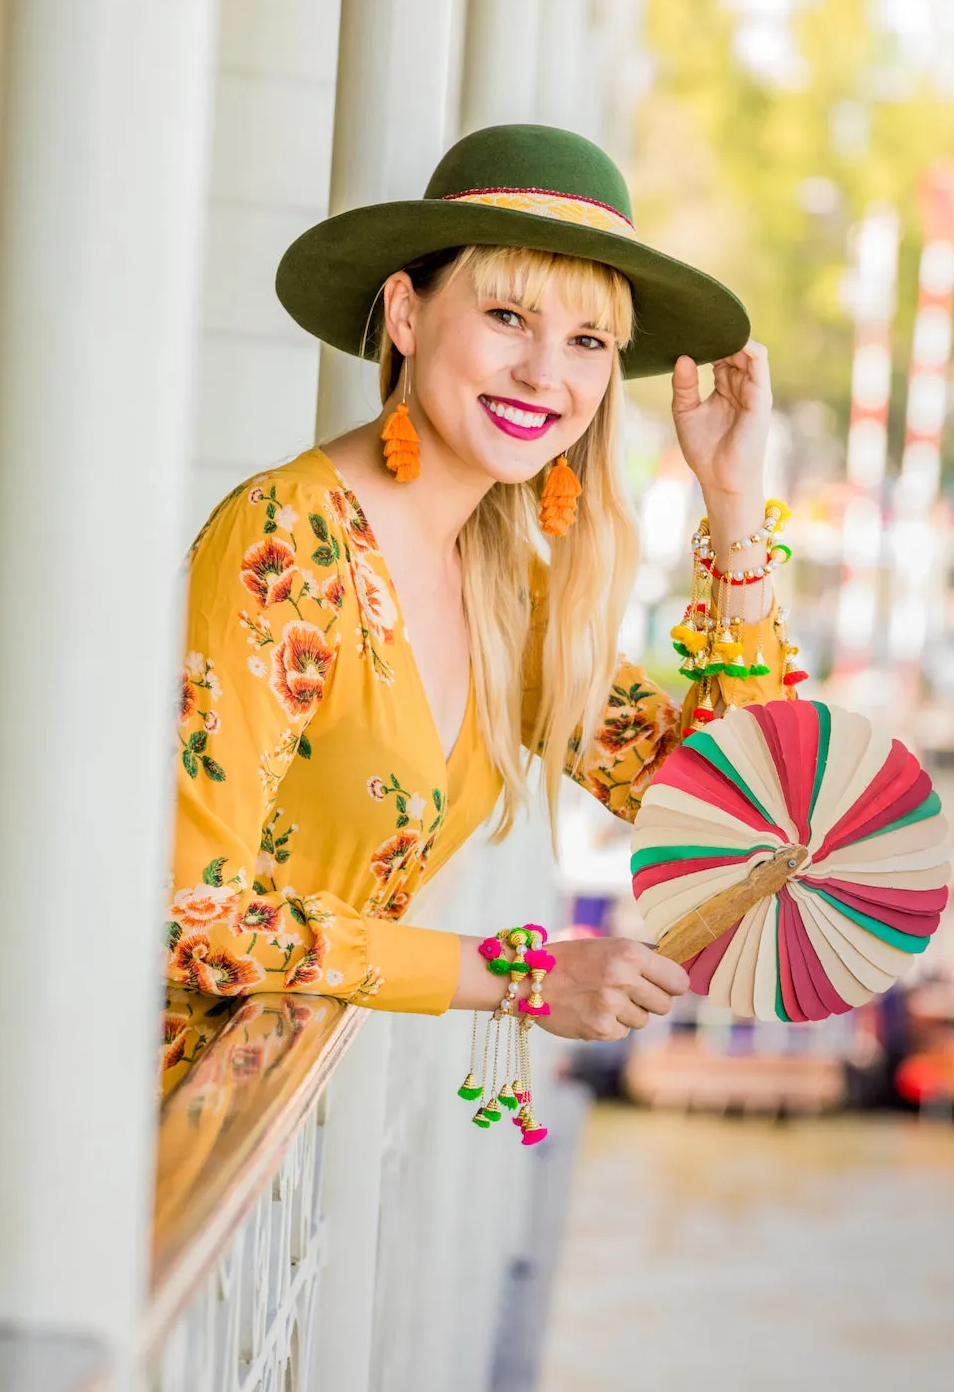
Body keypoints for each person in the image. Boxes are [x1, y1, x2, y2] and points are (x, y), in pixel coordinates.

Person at [162, 124, 797, 1093]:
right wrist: (516, 974)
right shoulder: (287, 540)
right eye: (507, 315)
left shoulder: (503, 584)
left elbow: (728, 814)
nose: (546, 374)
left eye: (586, 340)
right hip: (112, 1139)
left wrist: (733, 502)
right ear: (406, 315)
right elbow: (186, 911)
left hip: (235, 1154)